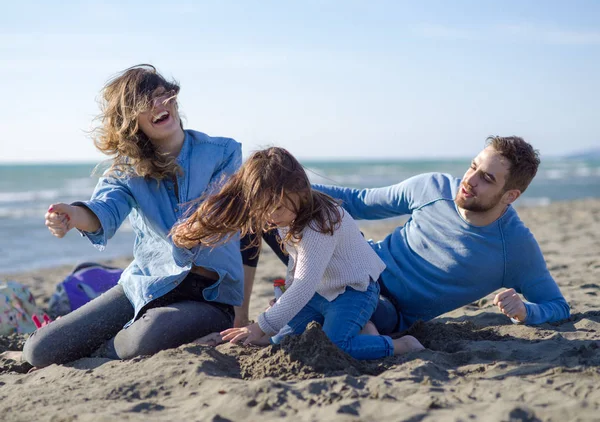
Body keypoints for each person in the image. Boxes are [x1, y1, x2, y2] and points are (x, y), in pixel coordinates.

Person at [23, 65, 245, 367]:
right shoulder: (127, 169)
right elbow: (104, 210)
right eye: (144, 104)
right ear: (131, 121)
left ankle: (112, 346)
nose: (158, 106)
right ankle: (116, 339)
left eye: (161, 95)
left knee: (146, 337)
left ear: (174, 99)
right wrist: (73, 215)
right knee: (41, 351)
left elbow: (220, 210)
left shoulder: (224, 152)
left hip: (207, 296)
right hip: (146, 285)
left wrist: (188, 230)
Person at [250, 136, 570, 335]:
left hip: (388, 306)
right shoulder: (432, 187)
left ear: (510, 195)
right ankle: (238, 313)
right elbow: (358, 201)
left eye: (486, 178)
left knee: (342, 311)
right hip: (362, 264)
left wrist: (527, 311)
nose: (469, 180)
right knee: (264, 214)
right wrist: (289, 192)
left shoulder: (515, 248)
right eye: (473, 167)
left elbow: (557, 305)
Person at [171, 147, 424, 359]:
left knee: (335, 346)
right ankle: (363, 332)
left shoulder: (319, 224)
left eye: (278, 208)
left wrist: (260, 325)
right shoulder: (288, 215)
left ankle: (401, 345)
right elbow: (298, 264)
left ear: (301, 191)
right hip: (320, 293)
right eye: (264, 209)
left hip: (353, 291)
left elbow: (304, 283)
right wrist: (279, 307)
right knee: (281, 339)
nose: (271, 216)